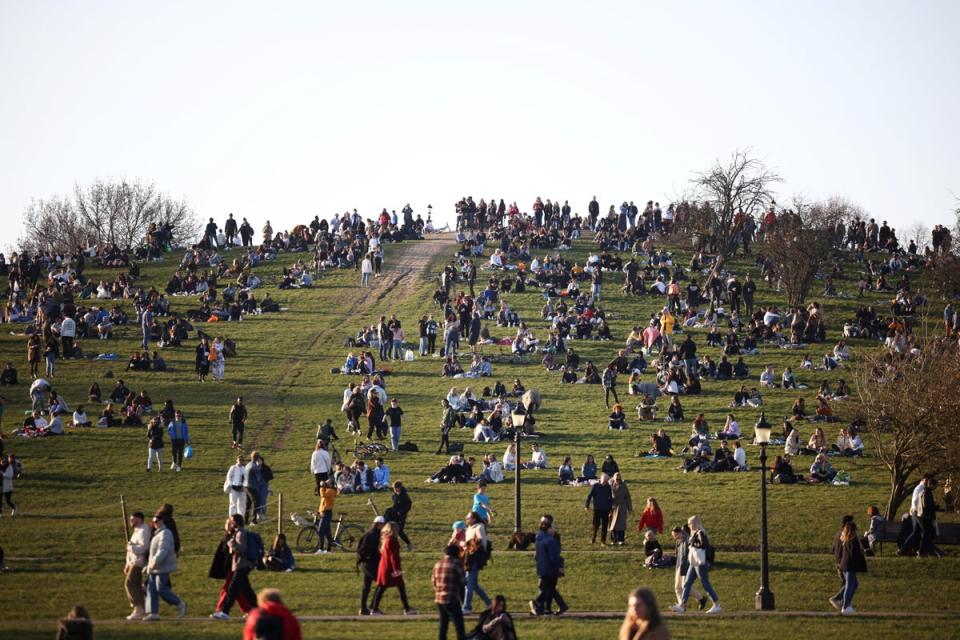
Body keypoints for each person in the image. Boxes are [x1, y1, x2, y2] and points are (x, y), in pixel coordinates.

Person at [210, 514, 258, 620]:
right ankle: (258, 610)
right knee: (247, 591)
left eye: (232, 521)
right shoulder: (239, 532)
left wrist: (232, 545)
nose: (230, 523)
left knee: (232, 589)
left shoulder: (240, 533)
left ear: (236, 522)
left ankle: (224, 612)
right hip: (242, 565)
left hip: (242, 565)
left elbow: (242, 549)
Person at [671, 515, 721, 614]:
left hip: (700, 563)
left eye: (690, 523)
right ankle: (682, 605)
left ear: (695, 523)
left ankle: (716, 604)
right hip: (693, 562)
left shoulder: (700, 532)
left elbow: (704, 544)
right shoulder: (693, 533)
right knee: (687, 583)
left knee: (705, 584)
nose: (688, 525)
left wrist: (693, 543)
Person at [144, 512, 187, 621]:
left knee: (161, 588)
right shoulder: (157, 534)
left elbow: (163, 550)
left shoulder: (166, 533)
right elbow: (152, 552)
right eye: (153, 522)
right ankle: (154, 613)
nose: (155, 523)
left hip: (162, 566)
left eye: (157, 521)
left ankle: (180, 603)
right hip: (154, 567)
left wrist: (155, 562)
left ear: (162, 521)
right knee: (151, 589)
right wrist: (149, 565)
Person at [369, 522, 417, 615]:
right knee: (401, 587)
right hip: (391, 569)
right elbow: (393, 557)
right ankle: (407, 608)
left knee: (382, 587)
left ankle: (374, 608)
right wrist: (397, 570)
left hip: (384, 567)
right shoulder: (392, 541)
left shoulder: (385, 539)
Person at [530, 514, 567, 616]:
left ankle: (540, 606)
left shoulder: (547, 538)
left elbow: (555, 553)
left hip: (547, 566)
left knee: (547, 588)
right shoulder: (545, 538)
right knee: (548, 588)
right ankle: (543, 607)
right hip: (547, 566)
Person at [833, 520, 867, 614]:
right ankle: (846, 605)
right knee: (849, 584)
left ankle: (841, 601)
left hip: (845, 565)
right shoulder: (852, 540)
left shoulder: (845, 539)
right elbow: (853, 554)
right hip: (849, 565)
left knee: (854, 584)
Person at [433, 544, 466, 640]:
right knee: (459, 626)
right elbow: (462, 582)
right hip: (452, 599)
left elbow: (434, 582)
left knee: (443, 626)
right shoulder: (457, 564)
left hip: (439, 599)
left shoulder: (438, 564)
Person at [462, 511, 492, 614]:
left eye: (468, 517)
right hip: (468, 558)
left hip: (474, 558)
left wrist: (466, 544)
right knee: (474, 585)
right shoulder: (469, 529)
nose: (466, 519)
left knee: (469, 584)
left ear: (474, 519)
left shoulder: (479, 527)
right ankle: (490, 604)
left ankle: (466, 607)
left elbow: (480, 542)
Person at [124, 511, 151, 619]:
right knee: (136, 586)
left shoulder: (144, 530)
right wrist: (127, 563)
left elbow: (144, 547)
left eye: (132, 519)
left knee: (129, 583)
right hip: (133, 562)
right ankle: (141, 610)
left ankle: (138, 608)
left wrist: (132, 548)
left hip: (138, 562)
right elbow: (130, 549)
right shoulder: (137, 531)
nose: (130, 521)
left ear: (139, 519)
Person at [671, 526, 706, 611]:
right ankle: (682, 606)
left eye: (675, 535)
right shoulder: (679, 541)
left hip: (686, 566)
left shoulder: (687, 539)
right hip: (679, 566)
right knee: (677, 587)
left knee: (685, 586)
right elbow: (677, 553)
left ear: (680, 533)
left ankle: (701, 599)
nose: (674, 537)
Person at [357, 515, 386, 615]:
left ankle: (363, 608)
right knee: (382, 583)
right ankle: (373, 607)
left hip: (365, 563)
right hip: (370, 564)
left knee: (366, 586)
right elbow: (368, 550)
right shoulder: (373, 535)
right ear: (379, 525)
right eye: (383, 525)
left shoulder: (370, 533)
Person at [586, 473, 613, 545]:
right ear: (601, 479)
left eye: (606, 480)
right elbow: (589, 496)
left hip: (606, 509)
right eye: (604, 480)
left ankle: (603, 541)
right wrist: (587, 505)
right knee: (596, 525)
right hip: (597, 509)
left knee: (605, 525)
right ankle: (593, 538)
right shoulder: (595, 486)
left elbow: (610, 498)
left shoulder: (608, 487)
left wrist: (611, 509)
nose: (605, 482)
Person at [388, 481, 414, 549]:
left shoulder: (404, 496)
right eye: (393, 488)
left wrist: (401, 512)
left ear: (399, 488)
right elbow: (395, 505)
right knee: (390, 529)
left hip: (401, 516)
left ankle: (409, 544)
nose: (393, 489)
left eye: (395, 488)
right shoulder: (395, 495)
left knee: (399, 531)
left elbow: (408, 505)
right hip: (395, 515)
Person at [609, 472, 633, 545]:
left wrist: (629, 508)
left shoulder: (624, 486)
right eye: (616, 478)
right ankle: (613, 540)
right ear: (614, 478)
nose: (618, 480)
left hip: (622, 507)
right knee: (612, 524)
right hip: (613, 507)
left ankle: (621, 540)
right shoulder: (610, 486)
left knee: (621, 524)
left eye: (619, 478)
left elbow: (628, 498)